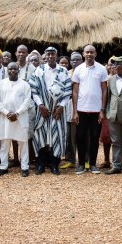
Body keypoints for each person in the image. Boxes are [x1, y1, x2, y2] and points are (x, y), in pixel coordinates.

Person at [30, 46, 72, 175]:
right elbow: (34, 90)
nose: (50, 56)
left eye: (52, 54)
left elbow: (68, 91)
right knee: (40, 135)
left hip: (57, 110)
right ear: (45, 56)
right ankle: (41, 164)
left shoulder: (63, 71)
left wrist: (61, 107)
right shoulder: (39, 70)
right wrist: (41, 105)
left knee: (57, 136)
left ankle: (55, 165)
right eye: (48, 54)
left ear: (56, 55)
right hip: (42, 109)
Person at [72, 45, 109, 174]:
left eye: (91, 52)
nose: (89, 54)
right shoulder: (78, 69)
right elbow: (75, 91)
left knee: (94, 138)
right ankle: (81, 164)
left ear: (95, 54)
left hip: (96, 110)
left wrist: (102, 110)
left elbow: (104, 90)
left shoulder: (102, 69)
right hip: (81, 110)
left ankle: (93, 164)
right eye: (87, 52)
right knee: (80, 137)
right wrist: (75, 111)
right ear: (83, 54)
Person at [0, 62, 33, 176]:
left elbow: (27, 102)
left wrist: (17, 113)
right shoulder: (0, 84)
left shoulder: (25, 85)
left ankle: (24, 167)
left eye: (15, 69)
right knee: (4, 143)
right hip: (5, 117)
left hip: (20, 117)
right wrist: (7, 113)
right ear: (7, 71)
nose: (12, 71)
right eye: (10, 69)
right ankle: (3, 166)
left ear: (18, 70)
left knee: (23, 143)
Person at [61, 51, 84, 170]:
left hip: (83, 104)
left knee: (83, 134)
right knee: (70, 134)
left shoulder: (85, 71)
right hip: (69, 105)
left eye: (77, 59)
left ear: (82, 61)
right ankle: (71, 159)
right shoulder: (67, 73)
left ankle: (85, 160)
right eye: (73, 60)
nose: (75, 62)